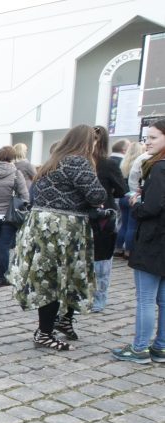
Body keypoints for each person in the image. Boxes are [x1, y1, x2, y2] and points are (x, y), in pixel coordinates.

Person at [8, 124, 107, 351]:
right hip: (62, 229)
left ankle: (61, 321)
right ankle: (44, 332)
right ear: (85, 142)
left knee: (56, 276)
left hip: (43, 225)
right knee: (56, 278)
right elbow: (96, 194)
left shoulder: (54, 161)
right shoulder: (77, 161)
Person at [112, 119, 165, 364]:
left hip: (153, 241)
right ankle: (160, 346)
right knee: (163, 300)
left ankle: (140, 348)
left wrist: (136, 203)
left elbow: (151, 208)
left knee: (145, 298)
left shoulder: (159, 168)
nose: (147, 143)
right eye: (147, 138)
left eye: (153, 137)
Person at [91, 126, 127, 313]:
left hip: (89, 215)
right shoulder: (107, 164)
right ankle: (98, 298)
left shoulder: (82, 162)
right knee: (102, 259)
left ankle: (87, 296)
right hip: (104, 216)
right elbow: (121, 189)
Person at [0, 146, 29, 287]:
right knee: (4, 247)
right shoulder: (16, 173)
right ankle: (3, 278)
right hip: (9, 216)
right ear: (12, 157)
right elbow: (25, 196)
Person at [116, 141, 146, 258]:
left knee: (123, 224)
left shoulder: (123, 163)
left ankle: (118, 248)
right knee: (132, 226)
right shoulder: (141, 163)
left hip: (124, 196)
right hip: (135, 197)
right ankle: (128, 251)